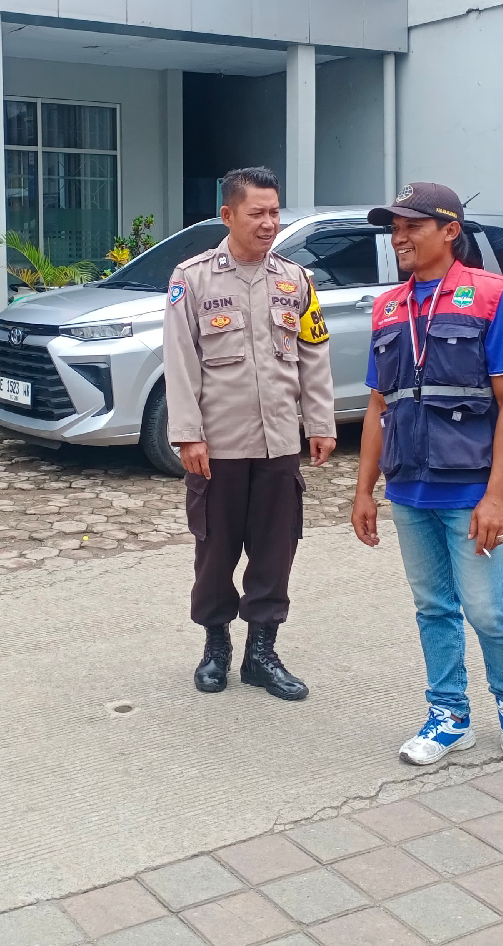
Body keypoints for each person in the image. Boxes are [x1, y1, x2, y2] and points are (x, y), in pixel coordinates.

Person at [350, 182, 503, 765]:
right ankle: (449, 715)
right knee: (433, 607)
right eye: (395, 227)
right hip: (409, 489)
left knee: (487, 609)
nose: (399, 237)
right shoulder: (388, 307)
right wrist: (364, 490)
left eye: (413, 226)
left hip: (470, 489)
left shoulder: (492, 298)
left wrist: (497, 497)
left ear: (450, 231)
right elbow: (379, 405)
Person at [163, 167, 336, 700]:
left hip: (279, 443)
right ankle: (216, 646)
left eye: (274, 212)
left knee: (275, 550)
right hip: (218, 446)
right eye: (256, 213)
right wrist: (188, 435)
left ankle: (262, 652)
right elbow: (180, 361)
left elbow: (314, 353)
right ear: (228, 215)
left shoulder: (296, 280)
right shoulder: (192, 279)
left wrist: (320, 422)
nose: (268, 223)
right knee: (215, 552)